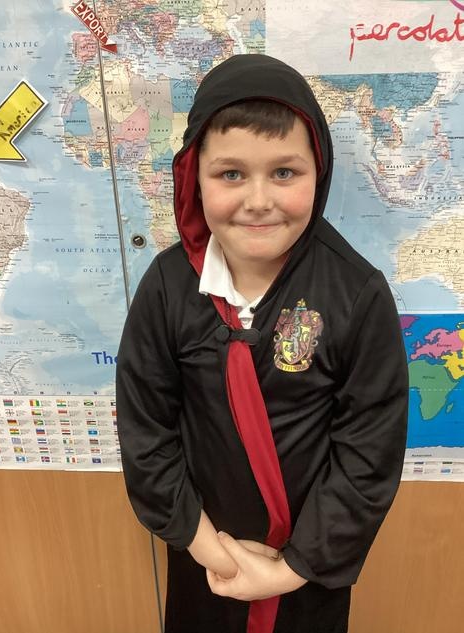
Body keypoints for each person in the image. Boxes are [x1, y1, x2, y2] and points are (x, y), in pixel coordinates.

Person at [116, 54, 409, 633]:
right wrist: (213, 551)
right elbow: (145, 430)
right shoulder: (167, 287)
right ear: (193, 177)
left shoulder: (356, 294)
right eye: (230, 174)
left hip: (307, 575)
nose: (257, 200)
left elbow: (369, 452)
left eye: (284, 173)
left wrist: (288, 570)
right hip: (204, 561)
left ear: (318, 172)